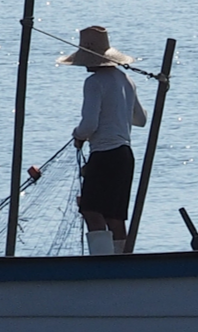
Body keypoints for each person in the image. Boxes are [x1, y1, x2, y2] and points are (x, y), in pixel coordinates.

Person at [59, 25, 147, 255]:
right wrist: (118, 112)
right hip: (125, 155)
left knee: (91, 210)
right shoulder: (126, 79)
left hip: (105, 155)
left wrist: (77, 135)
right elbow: (141, 119)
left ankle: (101, 263)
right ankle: (122, 263)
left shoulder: (94, 82)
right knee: (115, 217)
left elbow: (89, 125)